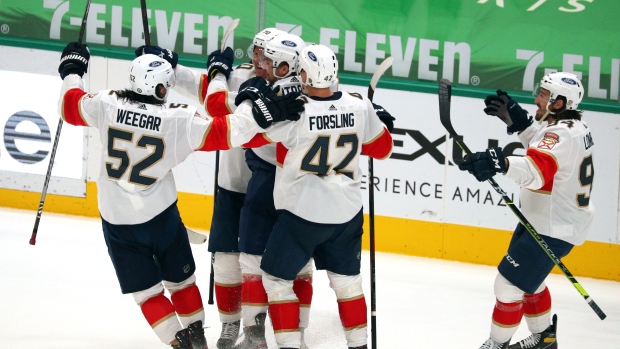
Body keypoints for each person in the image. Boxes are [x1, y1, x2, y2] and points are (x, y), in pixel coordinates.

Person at [56, 41, 302, 349]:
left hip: (117, 223)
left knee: (147, 294)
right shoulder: (177, 120)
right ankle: (197, 333)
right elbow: (230, 132)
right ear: (161, 89)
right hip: (162, 218)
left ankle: (180, 341)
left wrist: (73, 69)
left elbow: (69, 104)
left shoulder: (105, 103)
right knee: (182, 282)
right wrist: (260, 110)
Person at [135, 27, 287, 349]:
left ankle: (262, 326)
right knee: (226, 259)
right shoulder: (238, 78)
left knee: (263, 263)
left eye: (264, 55)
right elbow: (196, 85)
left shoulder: (289, 91)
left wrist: (220, 79)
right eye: (256, 52)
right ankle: (230, 326)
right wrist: (163, 65)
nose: (257, 59)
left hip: (272, 186)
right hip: (232, 183)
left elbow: (219, 103)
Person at [245, 44, 394, 349]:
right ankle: (359, 345)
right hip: (347, 215)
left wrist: (257, 105)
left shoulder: (293, 112)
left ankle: (291, 345)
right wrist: (368, 123)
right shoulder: (359, 104)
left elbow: (248, 138)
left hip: (302, 214)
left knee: (276, 280)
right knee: (348, 283)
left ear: (304, 73)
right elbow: (383, 148)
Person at [458, 72, 594, 349]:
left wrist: (500, 162)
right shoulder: (570, 127)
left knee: (507, 286)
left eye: (543, 95)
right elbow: (547, 148)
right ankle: (545, 337)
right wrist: (522, 125)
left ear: (559, 102)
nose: (537, 98)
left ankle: (497, 345)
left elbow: (535, 172)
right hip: (547, 220)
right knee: (528, 281)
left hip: (553, 226)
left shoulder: (561, 133)